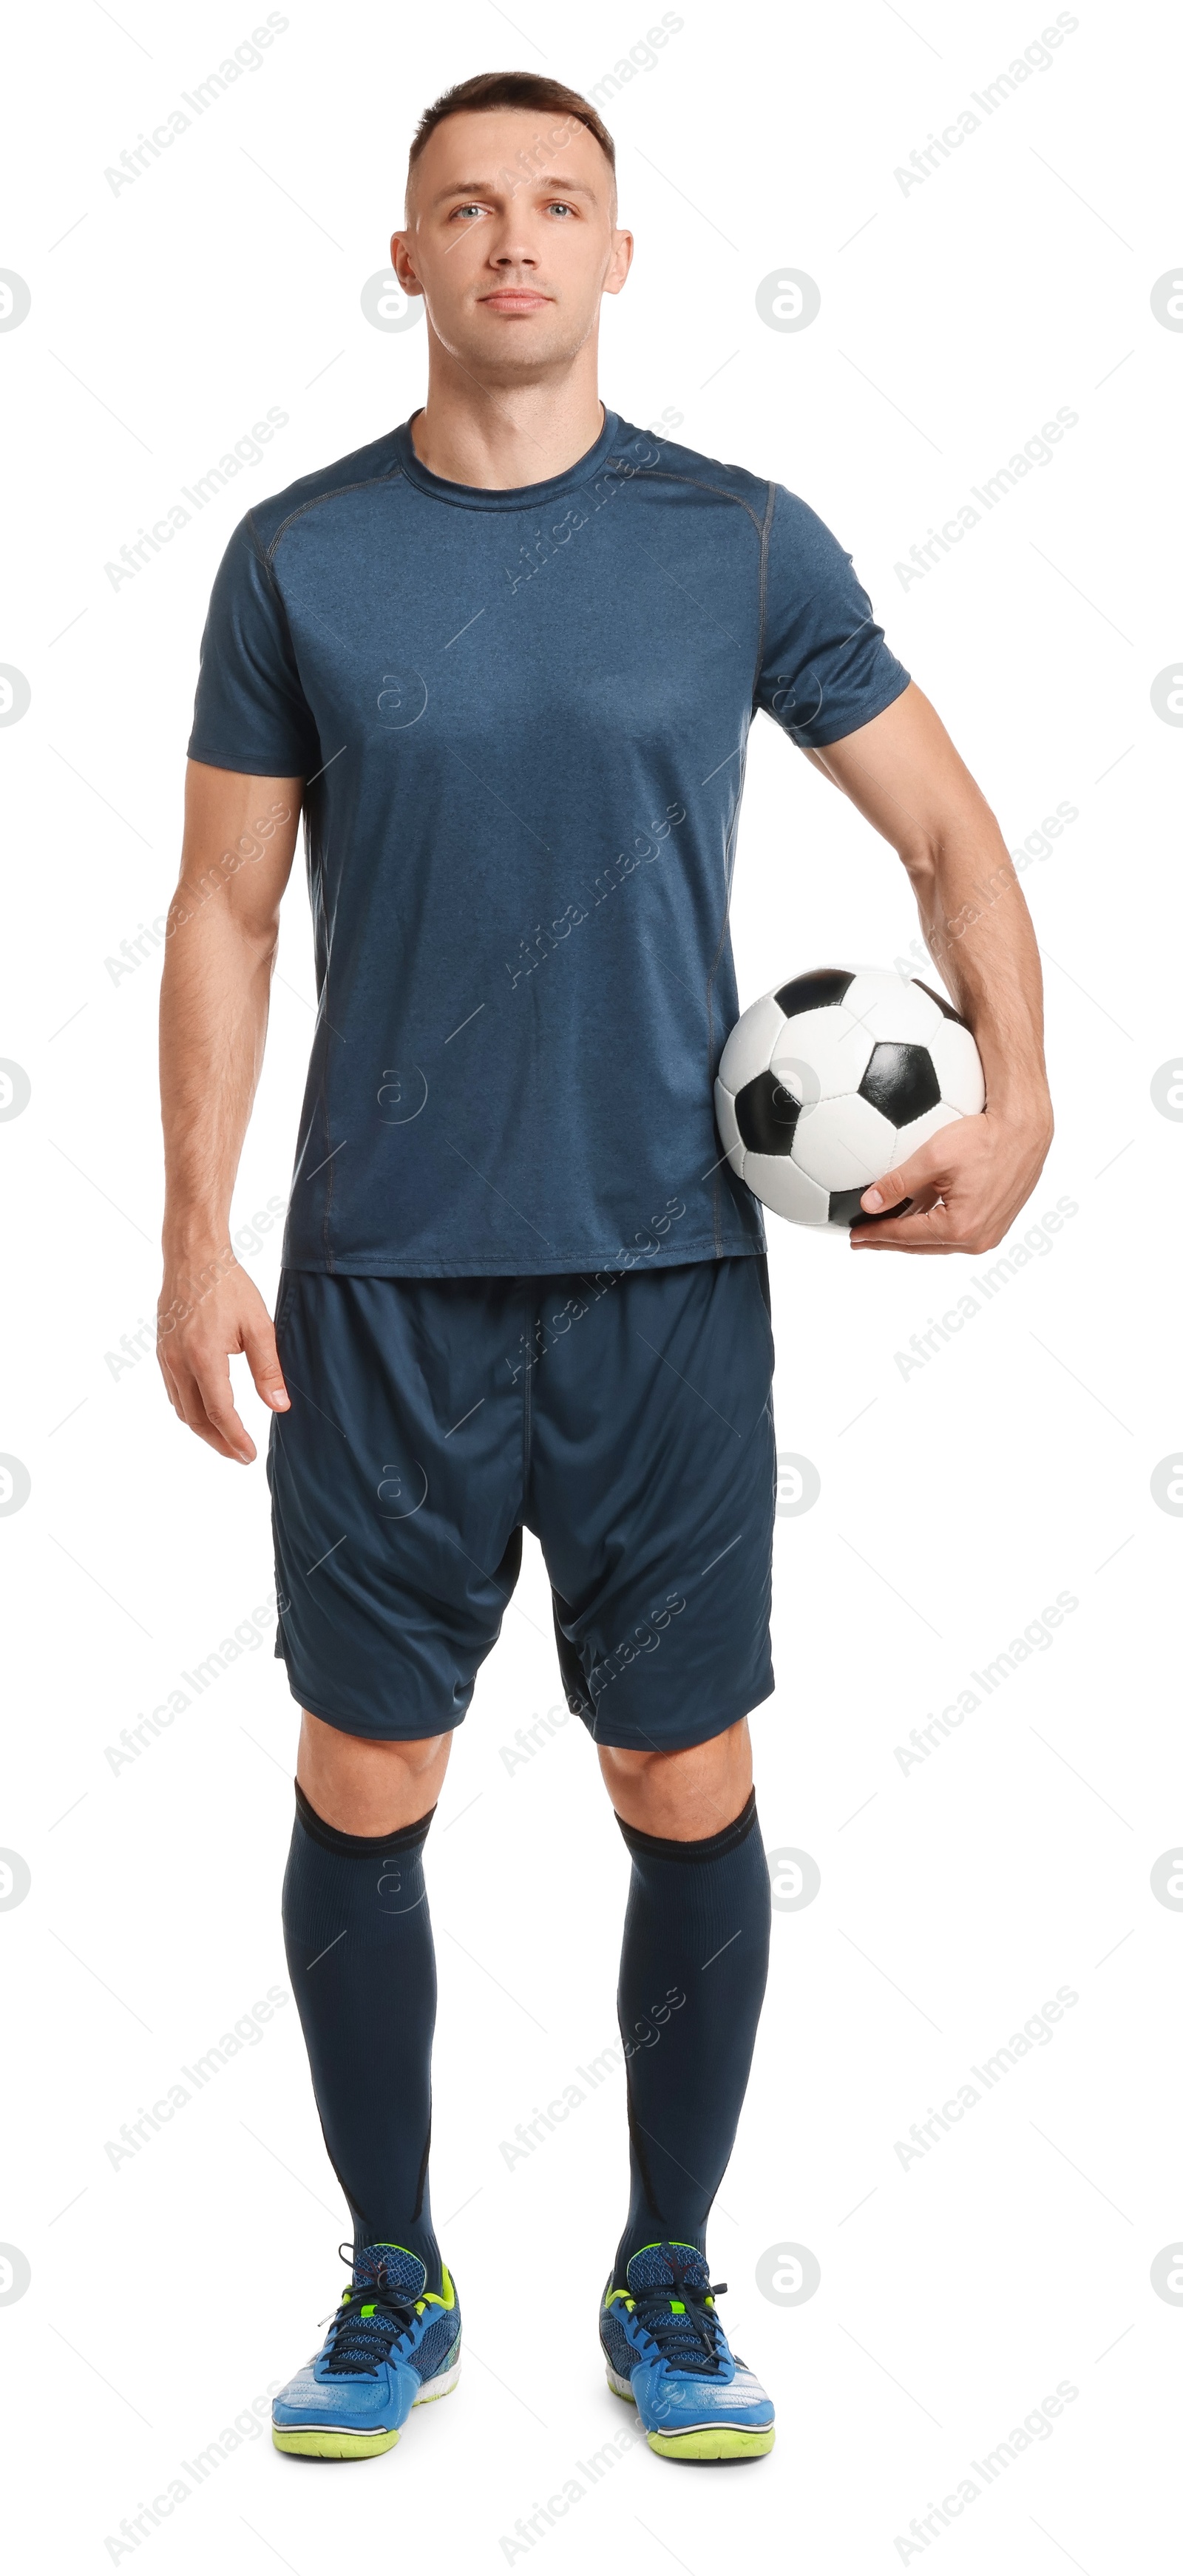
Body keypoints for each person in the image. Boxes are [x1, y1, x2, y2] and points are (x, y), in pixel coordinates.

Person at [156, 69, 1053, 2467]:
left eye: (560, 203)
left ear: (621, 258)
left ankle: (666, 2274)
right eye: (470, 206)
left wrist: (1031, 1097)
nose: (515, 240)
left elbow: (951, 826)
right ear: (412, 255)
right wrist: (189, 1232)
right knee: (373, 1764)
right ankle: (391, 2267)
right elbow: (226, 910)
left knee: (683, 1772)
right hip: (380, 1280)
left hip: (667, 1276)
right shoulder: (293, 558)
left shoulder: (735, 540)